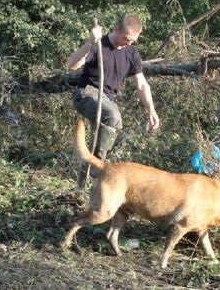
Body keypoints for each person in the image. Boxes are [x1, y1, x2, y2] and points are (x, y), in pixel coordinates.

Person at [67, 15, 160, 185]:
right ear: (116, 29)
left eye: (133, 40)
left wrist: (151, 111)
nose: (129, 43)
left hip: (107, 99)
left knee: (106, 128)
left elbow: (141, 85)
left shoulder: (131, 53)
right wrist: (90, 42)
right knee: (113, 116)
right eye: (126, 38)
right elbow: (72, 64)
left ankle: (84, 179)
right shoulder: (98, 45)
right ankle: (95, 172)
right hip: (86, 94)